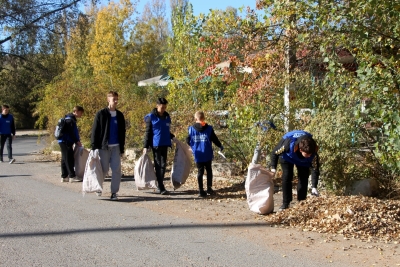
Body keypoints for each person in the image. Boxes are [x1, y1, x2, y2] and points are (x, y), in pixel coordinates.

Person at [270, 130, 320, 211]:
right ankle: (285, 203)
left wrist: (314, 187)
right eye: (307, 154)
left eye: (310, 154)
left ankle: (301, 202)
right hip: (287, 157)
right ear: (300, 150)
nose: (309, 156)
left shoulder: (313, 152)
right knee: (287, 176)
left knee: (303, 178)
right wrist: (273, 168)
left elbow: (315, 169)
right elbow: (274, 153)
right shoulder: (287, 145)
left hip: (303, 162)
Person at [91, 91, 126, 201]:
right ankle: (98, 188)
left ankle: (114, 192)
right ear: (108, 99)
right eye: (113, 99)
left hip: (116, 146)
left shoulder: (120, 115)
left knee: (116, 170)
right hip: (104, 147)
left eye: (117, 99)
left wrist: (122, 148)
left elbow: (123, 132)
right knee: (104, 169)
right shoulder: (101, 114)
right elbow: (95, 131)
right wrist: (94, 147)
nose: (115, 101)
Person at [186, 111, 223, 197]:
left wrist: (193, 146)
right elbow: (214, 139)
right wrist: (220, 145)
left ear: (195, 119)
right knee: (209, 170)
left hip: (198, 154)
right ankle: (209, 189)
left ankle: (201, 190)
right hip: (207, 153)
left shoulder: (191, 129)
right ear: (203, 118)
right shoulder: (209, 128)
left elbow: (187, 140)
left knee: (200, 171)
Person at [143, 98, 175, 195]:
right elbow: (148, 133)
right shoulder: (151, 117)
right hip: (156, 144)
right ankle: (160, 186)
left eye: (165, 107)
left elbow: (166, 131)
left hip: (165, 143)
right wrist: (145, 146)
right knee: (158, 165)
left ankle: (159, 185)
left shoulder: (167, 117)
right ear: (157, 106)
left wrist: (173, 137)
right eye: (162, 107)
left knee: (163, 165)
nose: (163, 109)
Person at [58, 106, 84, 183]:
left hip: (62, 141)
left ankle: (64, 176)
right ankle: (72, 176)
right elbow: (71, 133)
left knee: (64, 158)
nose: (81, 114)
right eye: (80, 112)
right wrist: (77, 141)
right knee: (69, 158)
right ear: (76, 111)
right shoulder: (70, 120)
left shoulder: (68, 119)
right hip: (66, 141)